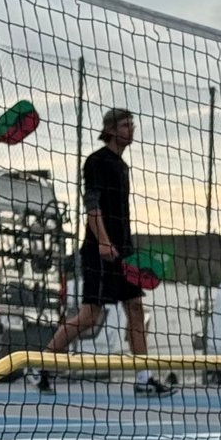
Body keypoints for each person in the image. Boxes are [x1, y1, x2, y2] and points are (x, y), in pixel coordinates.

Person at [29, 109, 174, 397]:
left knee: (135, 308)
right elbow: (91, 206)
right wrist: (105, 242)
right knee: (89, 317)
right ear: (110, 129)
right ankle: (39, 365)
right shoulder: (96, 162)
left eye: (132, 123)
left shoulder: (122, 165)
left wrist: (124, 249)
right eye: (124, 124)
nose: (131, 128)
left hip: (124, 252)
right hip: (98, 252)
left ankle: (144, 378)